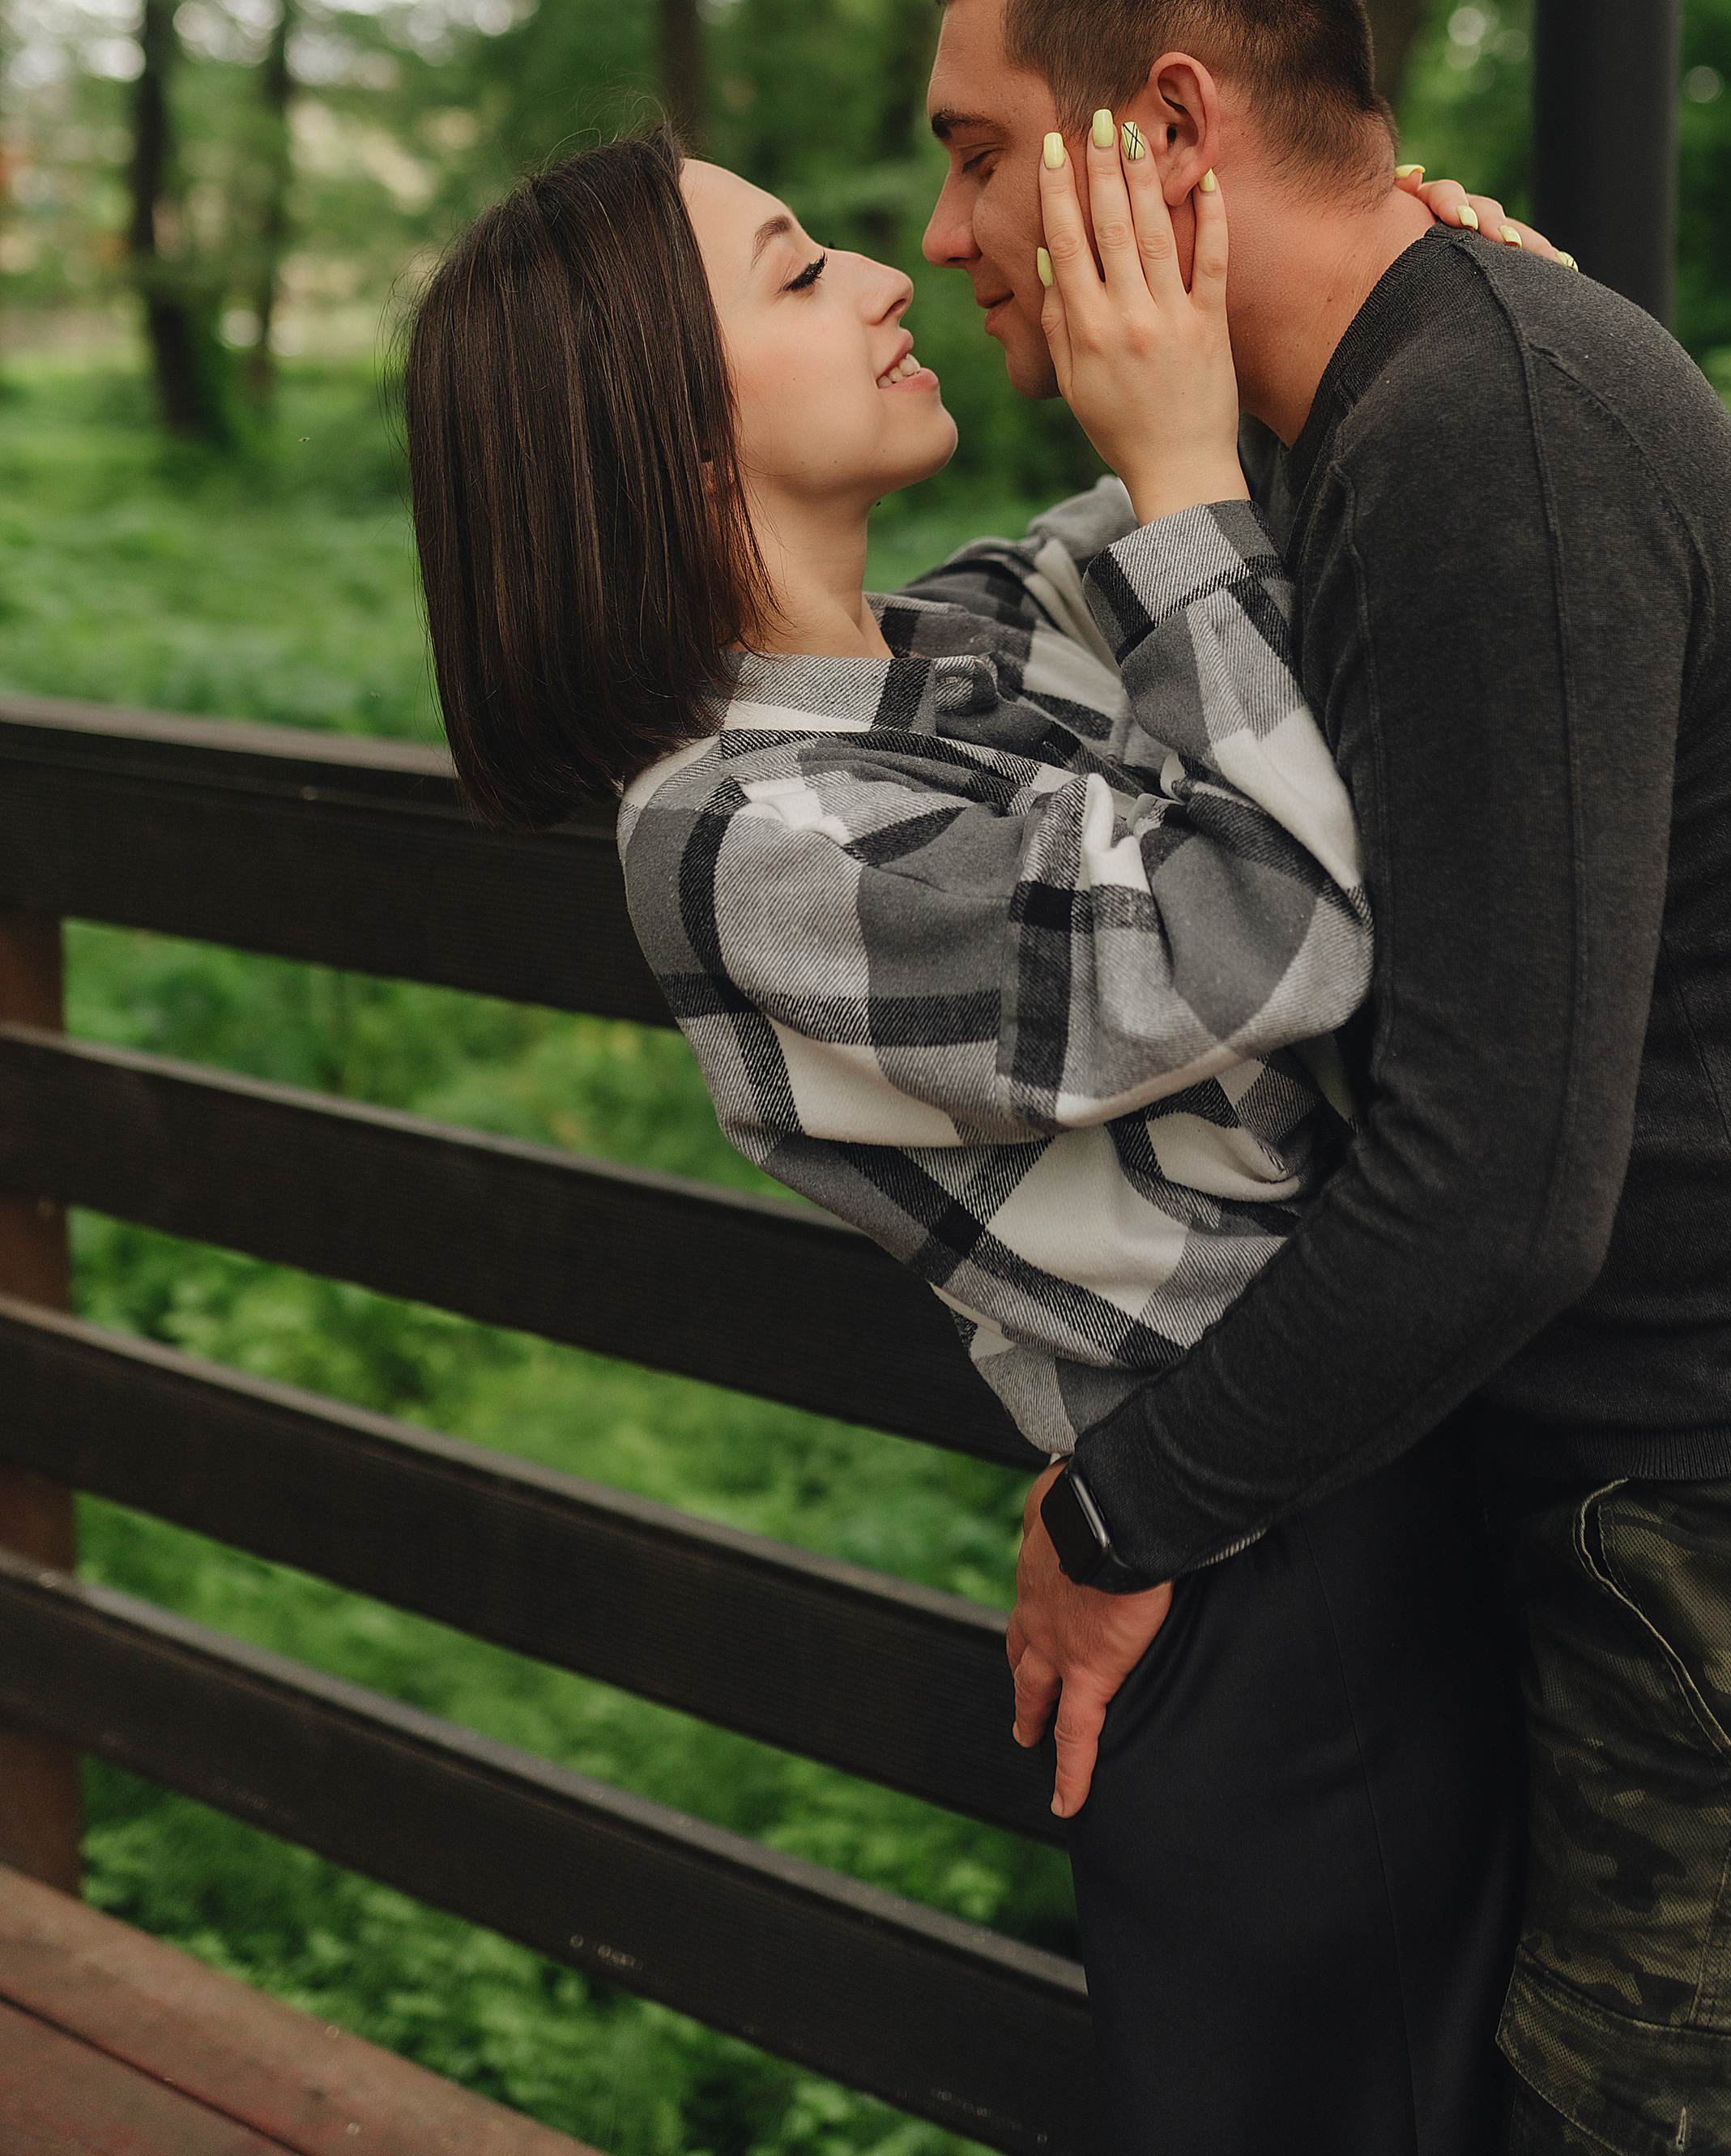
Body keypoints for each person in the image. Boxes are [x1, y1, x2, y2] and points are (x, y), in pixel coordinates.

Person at [917, 0, 1731, 2156]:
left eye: (972, 151)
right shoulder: (1378, 413)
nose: (948, 235)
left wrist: (1117, 1513)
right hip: (1643, 1488)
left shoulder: (1479, 441)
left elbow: (1497, 1185)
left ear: (1164, 127)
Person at [402, 122, 1536, 2155]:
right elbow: (1278, 931)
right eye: (792, 269)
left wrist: (1393, 274)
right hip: (1263, 1575)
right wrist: (1179, 471)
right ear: (668, 437)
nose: (881, 272)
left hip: (1368, 1479)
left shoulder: (963, 638)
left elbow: (1243, 504)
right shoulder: (739, 837)